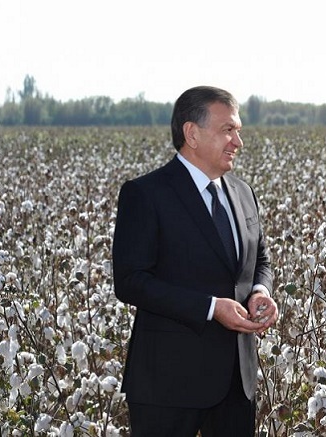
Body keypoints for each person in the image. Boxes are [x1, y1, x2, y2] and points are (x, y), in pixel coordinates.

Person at [112, 86, 278, 436]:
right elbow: (130, 280)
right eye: (227, 130)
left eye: (238, 131)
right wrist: (209, 307)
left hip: (237, 383)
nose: (238, 141)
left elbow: (259, 259)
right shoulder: (146, 194)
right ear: (192, 134)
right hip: (168, 385)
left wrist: (260, 291)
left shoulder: (243, 193)